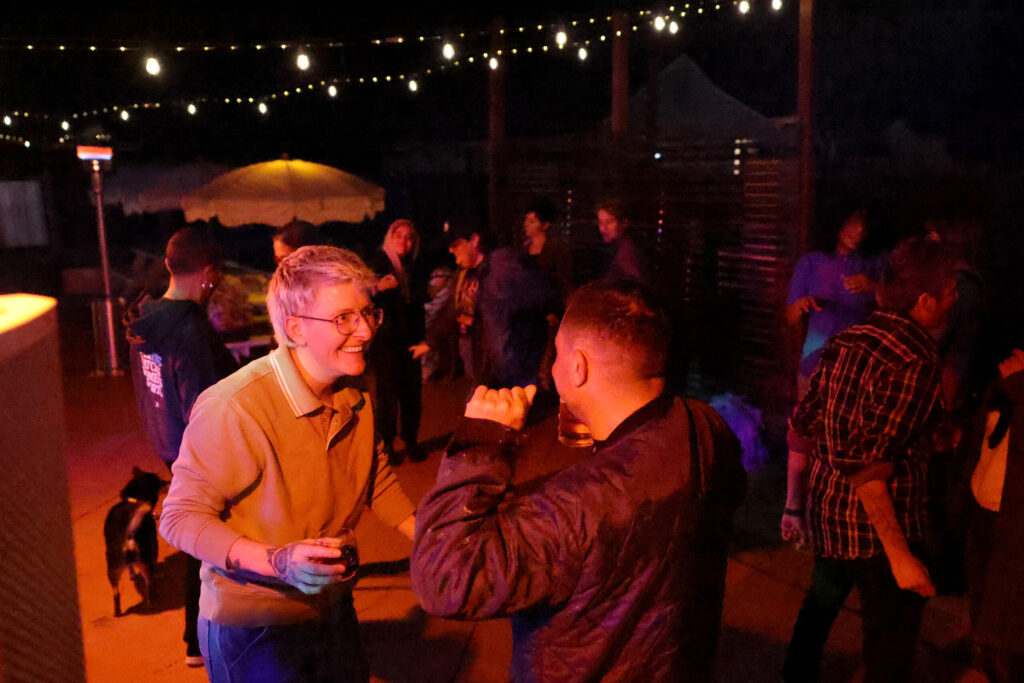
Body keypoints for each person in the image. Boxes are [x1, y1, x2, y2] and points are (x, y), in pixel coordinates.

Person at [412, 280, 746, 682]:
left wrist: (479, 445)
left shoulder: (575, 504)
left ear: (578, 366)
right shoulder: (703, 424)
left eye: (557, 353)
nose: (552, 365)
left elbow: (444, 580)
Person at [160, 245, 417, 682]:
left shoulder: (353, 392)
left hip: (334, 607)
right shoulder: (234, 407)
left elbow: (375, 480)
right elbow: (179, 518)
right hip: (255, 629)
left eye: (368, 313)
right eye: (344, 319)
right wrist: (278, 561)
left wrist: (438, 538)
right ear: (295, 328)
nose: (365, 331)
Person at [781, 237, 959, 683]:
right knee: (889, 642)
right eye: (952, 291)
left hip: (831, 512)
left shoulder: (848, 339)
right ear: (925, 301)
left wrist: (796, 502)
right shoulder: (916, 359)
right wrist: (901, 556)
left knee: (820, 605)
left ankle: (794, 675)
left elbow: (805, 417)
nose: (957, 299)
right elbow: (870, 464)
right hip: (883, 528)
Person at [124, 226, 238, 668]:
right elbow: (204, 406)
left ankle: (195, 638)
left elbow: (150, 391)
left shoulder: (147, 321)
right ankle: (202, 639)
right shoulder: (189, 331)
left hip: (169, 445)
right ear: (207, 274)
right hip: (200, 452)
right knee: (210, 547)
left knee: (196, 545)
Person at [428, 223, 556, 388]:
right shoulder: (463, 276)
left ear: (474, 240)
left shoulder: (503, 268)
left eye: (455, 245)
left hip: (508, 366)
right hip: (480, 363)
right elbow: (451, 309)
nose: (451, 250)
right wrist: (431, 341)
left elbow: (536, 299)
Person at [962, 349, 1024, 682]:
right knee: (980, 594)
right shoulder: (1010, 375)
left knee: (1005, 627)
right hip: (986, 502)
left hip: (1014, 521)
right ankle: (982, 653)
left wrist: (1017, 383)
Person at [785, 209, 886, 398]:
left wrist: (872, 286)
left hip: (856, 368)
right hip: (815, 363)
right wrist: (800, 306)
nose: (860, 230)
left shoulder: (871, 264)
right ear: (837, 223)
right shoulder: (811, 262)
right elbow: (790, 316)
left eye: (864, 225)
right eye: (853, 223)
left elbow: (896, 303)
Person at [367, 219, 427, 463]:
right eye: (399, 236)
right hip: (386, 341)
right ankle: (388, 444)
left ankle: (411, 441)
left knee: (412, 393)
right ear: (389, 238)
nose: (404, 241)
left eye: (409, 237)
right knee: (388, 395)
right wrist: (377, 288)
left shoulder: (414, 267)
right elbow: (359, 293)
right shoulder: (378, 263)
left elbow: (421, 304)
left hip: (411, 339)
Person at [597, 198, 649, 286]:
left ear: (624, 223)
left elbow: (637, 285)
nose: (603, 228)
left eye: (609, 222)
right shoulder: (617, 249)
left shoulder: (626, 251)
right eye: (600, 223)